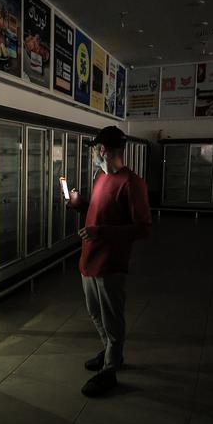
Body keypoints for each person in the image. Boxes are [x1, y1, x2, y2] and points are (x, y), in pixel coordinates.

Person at [67, 126, 152, 397]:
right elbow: (97, 213)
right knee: (94, 311)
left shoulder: (132, 183)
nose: (94, 154)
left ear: (103, 149)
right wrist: (80, 204)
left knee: (112, 319)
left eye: (95, 149)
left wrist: (101, 232)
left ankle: (110, 369)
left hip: (110, 263)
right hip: (89, 258)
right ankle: (109, 354)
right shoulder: (101, 177)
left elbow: (143, 228)